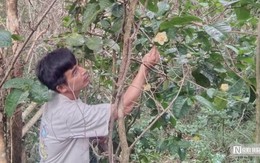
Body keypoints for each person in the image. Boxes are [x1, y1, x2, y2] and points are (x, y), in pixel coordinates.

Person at [36, 46, 160, 163]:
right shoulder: (69, 113)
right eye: (74, 73)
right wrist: (145, 67)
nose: (83, 71)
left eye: (78, 66)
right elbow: (124, 107)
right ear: (62, 88)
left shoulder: (53, 97)